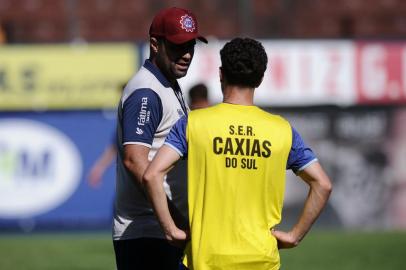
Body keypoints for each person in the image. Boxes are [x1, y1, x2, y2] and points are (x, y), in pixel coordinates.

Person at [143, 38, 332, 270]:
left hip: (205, 260)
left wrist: (170, 229)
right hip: (261, 260)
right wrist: (295, 235)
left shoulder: (193, 123)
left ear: (221, 74)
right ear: (261, 78)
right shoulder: (282, 129)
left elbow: (151, 175)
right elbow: (322, 184)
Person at [113, 7, 207, 270]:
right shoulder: (146, 91)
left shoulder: (166, 83)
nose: (187, 54)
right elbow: (134, 160)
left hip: (161, 230)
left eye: (191, 45)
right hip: (149, 233)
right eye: (178, 46)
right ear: (155, 44)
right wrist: (172, 221)